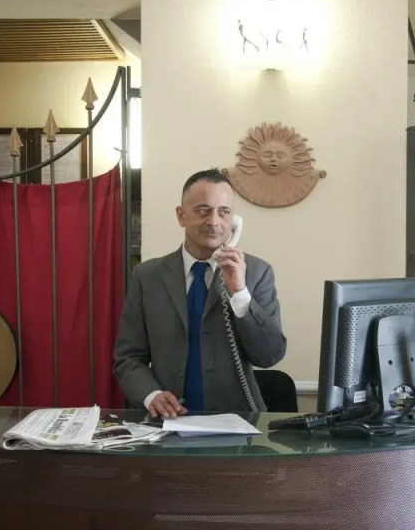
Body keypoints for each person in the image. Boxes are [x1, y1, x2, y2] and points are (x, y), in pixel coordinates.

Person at [113, 168, 287, 418]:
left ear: (234, 220)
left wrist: (240, 293)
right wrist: (151, 395)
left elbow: (270, 355)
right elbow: (128, 358)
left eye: (224, 212)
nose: (214, 222)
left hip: (236, 421)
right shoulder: (146, 276)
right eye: (203, 210)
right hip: (167, 419)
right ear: (181, 216)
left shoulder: (257, 272)